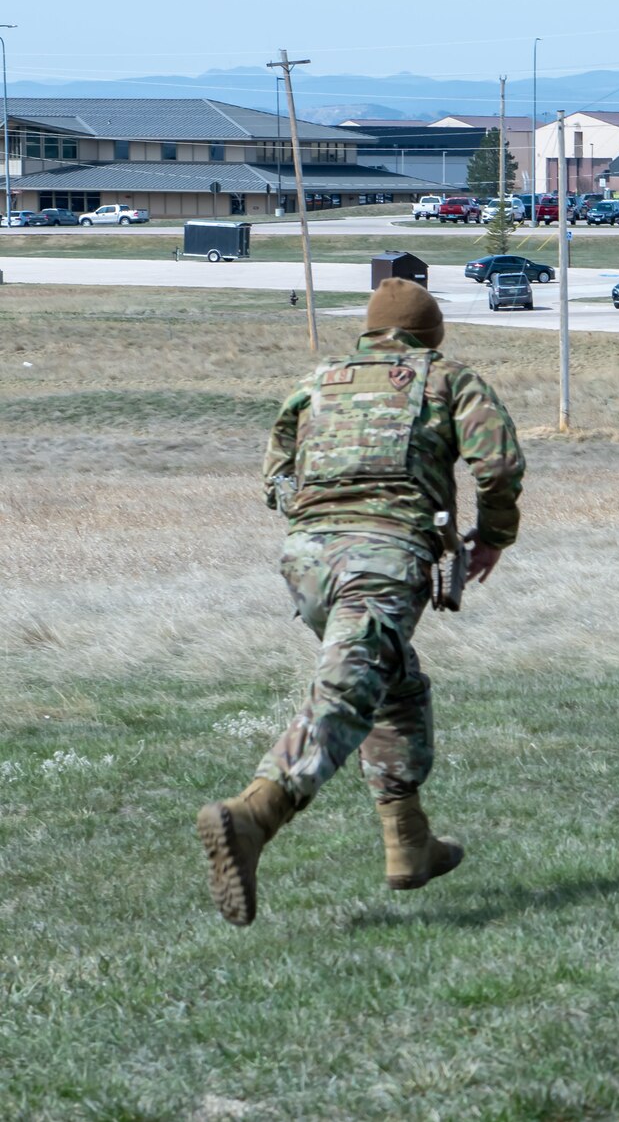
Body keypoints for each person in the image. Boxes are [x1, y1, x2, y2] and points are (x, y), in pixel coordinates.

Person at [197, 279, 525, 926]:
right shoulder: (447, 378)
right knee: (347, 688)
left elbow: (276, 476)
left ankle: (408, 841)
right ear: (429, 334)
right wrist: (491, 536)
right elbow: (498, 465)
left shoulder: (318, 380)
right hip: (385, 559)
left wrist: (324, 525)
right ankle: (256, 811)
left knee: (393, 682)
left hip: (308, 565)